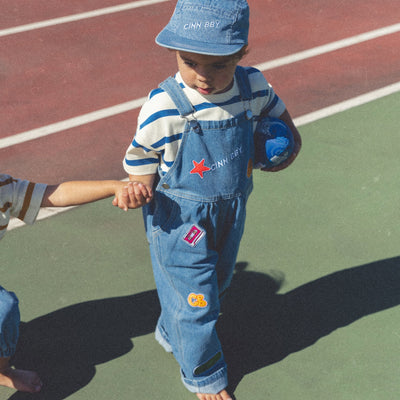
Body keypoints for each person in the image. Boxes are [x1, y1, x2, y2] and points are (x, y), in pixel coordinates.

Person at [118, 0, 302, 399]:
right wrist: (137, 186)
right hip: (178, 218)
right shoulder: (164, 107)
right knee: (198, 300)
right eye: (190, 62)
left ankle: (173, 331)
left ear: (241, 54)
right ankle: (205, 374)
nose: (203, 76)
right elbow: (139, 159)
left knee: (217, 281)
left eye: (219, 65)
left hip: (230, 209)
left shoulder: (253, 86)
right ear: (176, 55)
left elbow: (280, 116)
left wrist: (289, 147)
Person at [0, 174, 147, 393]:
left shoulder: (3, 189)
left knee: (5, 308)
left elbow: (56, 193)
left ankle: (2, 370)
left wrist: (114, 186)